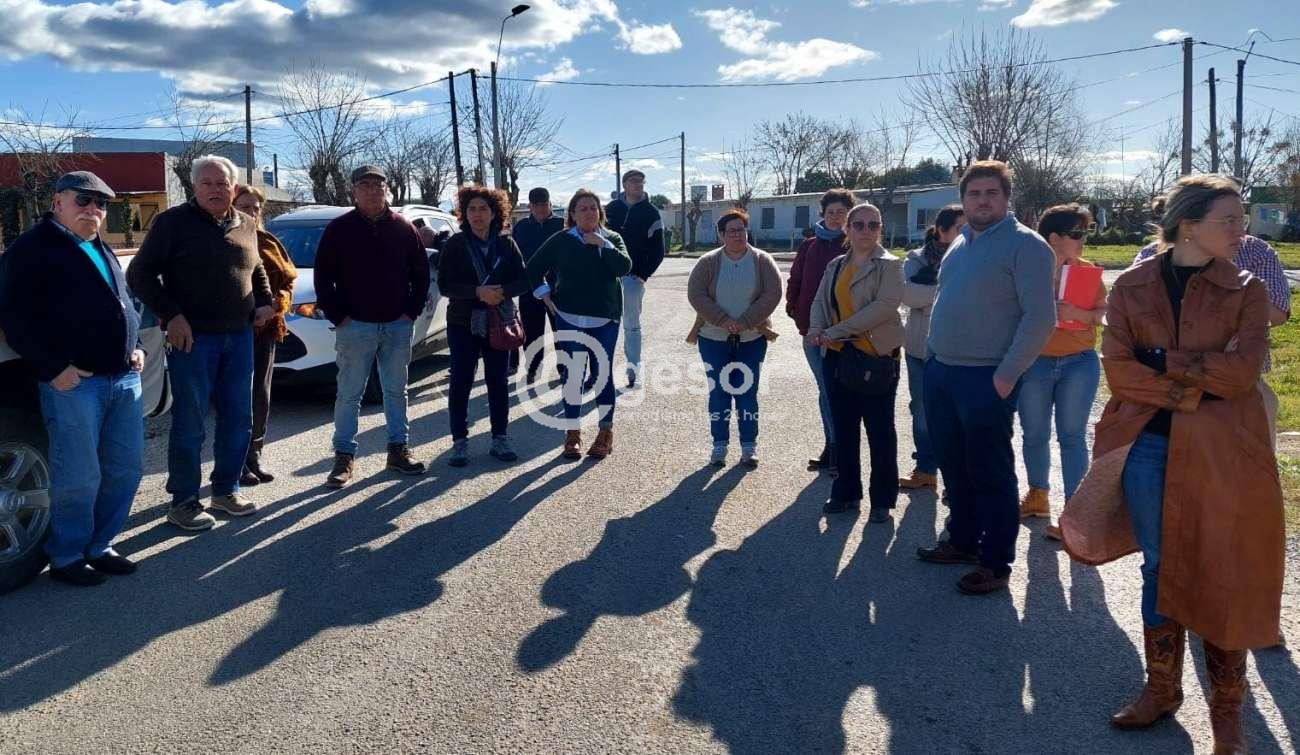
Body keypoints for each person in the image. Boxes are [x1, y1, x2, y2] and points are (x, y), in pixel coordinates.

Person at [1066, 174, 1282, 755]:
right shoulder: (1132, 286)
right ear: (1188, 224)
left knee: (1220, 568)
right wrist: (1196, 377)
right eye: (1229, 220)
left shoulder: (1247, 290)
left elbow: (1242, 374)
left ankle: (1227, 713)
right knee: (1160, 566)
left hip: (1222, 448)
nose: (1242, 230)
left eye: (1242, 219)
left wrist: (1163, 361)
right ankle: (1161, 689)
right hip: (1147, 447)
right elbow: (1121, 372)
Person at [915, 160, 1056, 595]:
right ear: (962, 199)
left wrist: (1006, 376)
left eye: (991, 193)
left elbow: (1040, 318)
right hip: (942, 371)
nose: (982, 200)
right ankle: (962, 541)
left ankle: (995, 562)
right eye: (974, 193)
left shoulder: (1027, 246)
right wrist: (933, 357)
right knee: (955, 466)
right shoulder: (960, 244)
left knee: (990, 472)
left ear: (1007, 197)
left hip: (987, 378)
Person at [0, 172, 145, 585]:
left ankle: (100, 546)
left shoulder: (99, 246)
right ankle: (67, 556)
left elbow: (126, 302)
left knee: (125, 469)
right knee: (79, 477)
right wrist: (51, 368)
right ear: (58, 202)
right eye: (84, 200)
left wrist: (137, 345)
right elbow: (13, 316)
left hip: (123, 378)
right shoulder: (32, 249)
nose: (93, 210)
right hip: (76, 385)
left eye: (101, 204)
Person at [128, 155, 274, 531]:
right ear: (194, 187)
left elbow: (256, 266)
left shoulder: (245, 223)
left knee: (238, 418)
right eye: (207, 183)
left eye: (222, 183)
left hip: (239, 337)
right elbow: (140, 274)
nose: (215, 189)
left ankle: (226, 489)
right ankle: (184, 501)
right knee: (191, 421)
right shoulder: (172, 223)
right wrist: (171, 315)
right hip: (193, 339)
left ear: (233, 187)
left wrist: (264, 301)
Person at [313, 165, 431, 488]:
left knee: (396, 391)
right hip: (355, 326)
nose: (372, 190)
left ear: (386, 190)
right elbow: (323, 277)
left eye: (378, 185)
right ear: (353, 191)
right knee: (349, 394)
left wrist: (411, 311)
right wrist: (338, 316)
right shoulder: (339, 229)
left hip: (397, 325)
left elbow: (421, 274)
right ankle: (344, 456)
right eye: (364, 185)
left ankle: (398, 450)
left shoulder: (404, 228)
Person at [1133, 228, 1290, 446]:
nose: (1237, 227)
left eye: (1239, 218)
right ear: (1192, 221)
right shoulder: (1153, 254)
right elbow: (1131, 314)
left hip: (1242, 384)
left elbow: (1279, 311)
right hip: (1168, 382)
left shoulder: (1256, 250)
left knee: (1250, 461)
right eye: (1227, 219)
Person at [806, 202, 906, 521]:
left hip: (876, 358)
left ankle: (882, 500)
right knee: (844, 428)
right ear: (847, 229)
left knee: (880, 431)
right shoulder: (836, 264)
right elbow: (820, 301)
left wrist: (835, 331)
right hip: (837, 357)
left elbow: (884, 308)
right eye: (859, 224)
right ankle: (846, 492)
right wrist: (815, 329)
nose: (866, 230)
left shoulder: (890, 265)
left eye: (873, 225)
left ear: (881, 230)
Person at [1013, 204, 1107, 541]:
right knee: (1034, 434)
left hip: (1078, 362)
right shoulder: (1028, 271)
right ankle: (1038, 496)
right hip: (1035, 362)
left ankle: (1074, 514)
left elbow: (1102, 314)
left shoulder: (1088, 272)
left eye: (1085, 233)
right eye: (1077, 234)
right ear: (1054, 238)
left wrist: (1078, 314)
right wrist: (1045, 310)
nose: (1083, 240)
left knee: (1072, 436)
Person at [528, 188, 632, 459]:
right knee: (573, 375)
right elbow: (533, 267)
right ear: (572, 214)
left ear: (600, 212)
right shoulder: (562, 239)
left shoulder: (612, 238)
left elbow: (624, 267)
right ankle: (572, 433)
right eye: (582, 208)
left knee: (602, 375)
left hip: (605, 319)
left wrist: (603, 245)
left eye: (593, 208)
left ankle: (605, 432)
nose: (589, 212)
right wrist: (544, 293)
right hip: (569, 318)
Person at [437, 185, 529, 467]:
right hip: (462, 322)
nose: (477, 214)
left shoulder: (506, 244)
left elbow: (524, 280)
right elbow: (444, 285)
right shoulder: (455, 244)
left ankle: (500, 438)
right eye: (472, 209)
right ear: (464, 214)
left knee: (498, 381)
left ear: (494, 213)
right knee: (461, 381)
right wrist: (477, 292)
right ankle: (459, 442)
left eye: (483, 209)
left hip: (499, 321)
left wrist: (501, 292)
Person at [686, 209, 782, 468]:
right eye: (731, 231)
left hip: (752, 339)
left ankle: (749, 447)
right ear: (721, 235)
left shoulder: (762, 260)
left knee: (747, 394)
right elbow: (696, 294)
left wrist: (746, 321)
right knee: (719, 394)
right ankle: (719, 445)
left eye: (741, 230)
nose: (738, 235)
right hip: (713, 339)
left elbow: (773, 293)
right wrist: (723, 320)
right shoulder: (708, 262)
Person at [787, 188, 856, 476]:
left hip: (843, 334)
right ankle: (832, 446)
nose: (836, 217)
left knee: (836, 392)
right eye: (831, 212)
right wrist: (795, 310)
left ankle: (841, 451)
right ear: (823, 214)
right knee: (824, 390)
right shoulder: (809, 246)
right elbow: (796, 280)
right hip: (811, 332)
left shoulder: (854, 245)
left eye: (841, 212)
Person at [231, 185, 297, 487]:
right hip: (232, 330)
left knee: (261, 394)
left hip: (266, 329)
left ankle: (255, 454)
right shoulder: (226, 238)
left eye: (256, 207)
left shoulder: (269, 241)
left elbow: (288, 282)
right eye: (244, 206)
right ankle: (235, 461)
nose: (252, 212)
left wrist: (275, 306)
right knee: (236, 396)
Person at [899, 204, 964, 491]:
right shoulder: (916, 258)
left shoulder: (976, 257)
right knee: (922, 410)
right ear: (941, 230)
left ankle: (956, 478)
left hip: (961, 349)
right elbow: (907, 295)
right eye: (960, 228)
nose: (966, 233)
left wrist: (930, 294)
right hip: (920, 348)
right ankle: (925, 469)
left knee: (958, 412)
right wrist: (951, 291)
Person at [605, 169, 665, 388]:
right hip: (608, 277)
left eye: (641, 181)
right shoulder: (611, 209)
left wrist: (643, 274)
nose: (638, 184)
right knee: (605, 323)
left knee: (631, 325)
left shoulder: (651, 212)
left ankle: (633, 370)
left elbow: (659, 249)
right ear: (624, 184)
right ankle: (602, 371)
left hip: (633, 278)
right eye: (634, 181)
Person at [512, 187, 566, 384]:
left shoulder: (562, 225)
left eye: (544, 204)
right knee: (532, 331)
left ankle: (564, 369)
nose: (541, 209)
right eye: (536, 205)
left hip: (559, 287)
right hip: (530, 287)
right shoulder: (521, 227)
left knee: (561, 330)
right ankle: (533, 368)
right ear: (530, 206)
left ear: (550, 204)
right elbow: (515, 256)